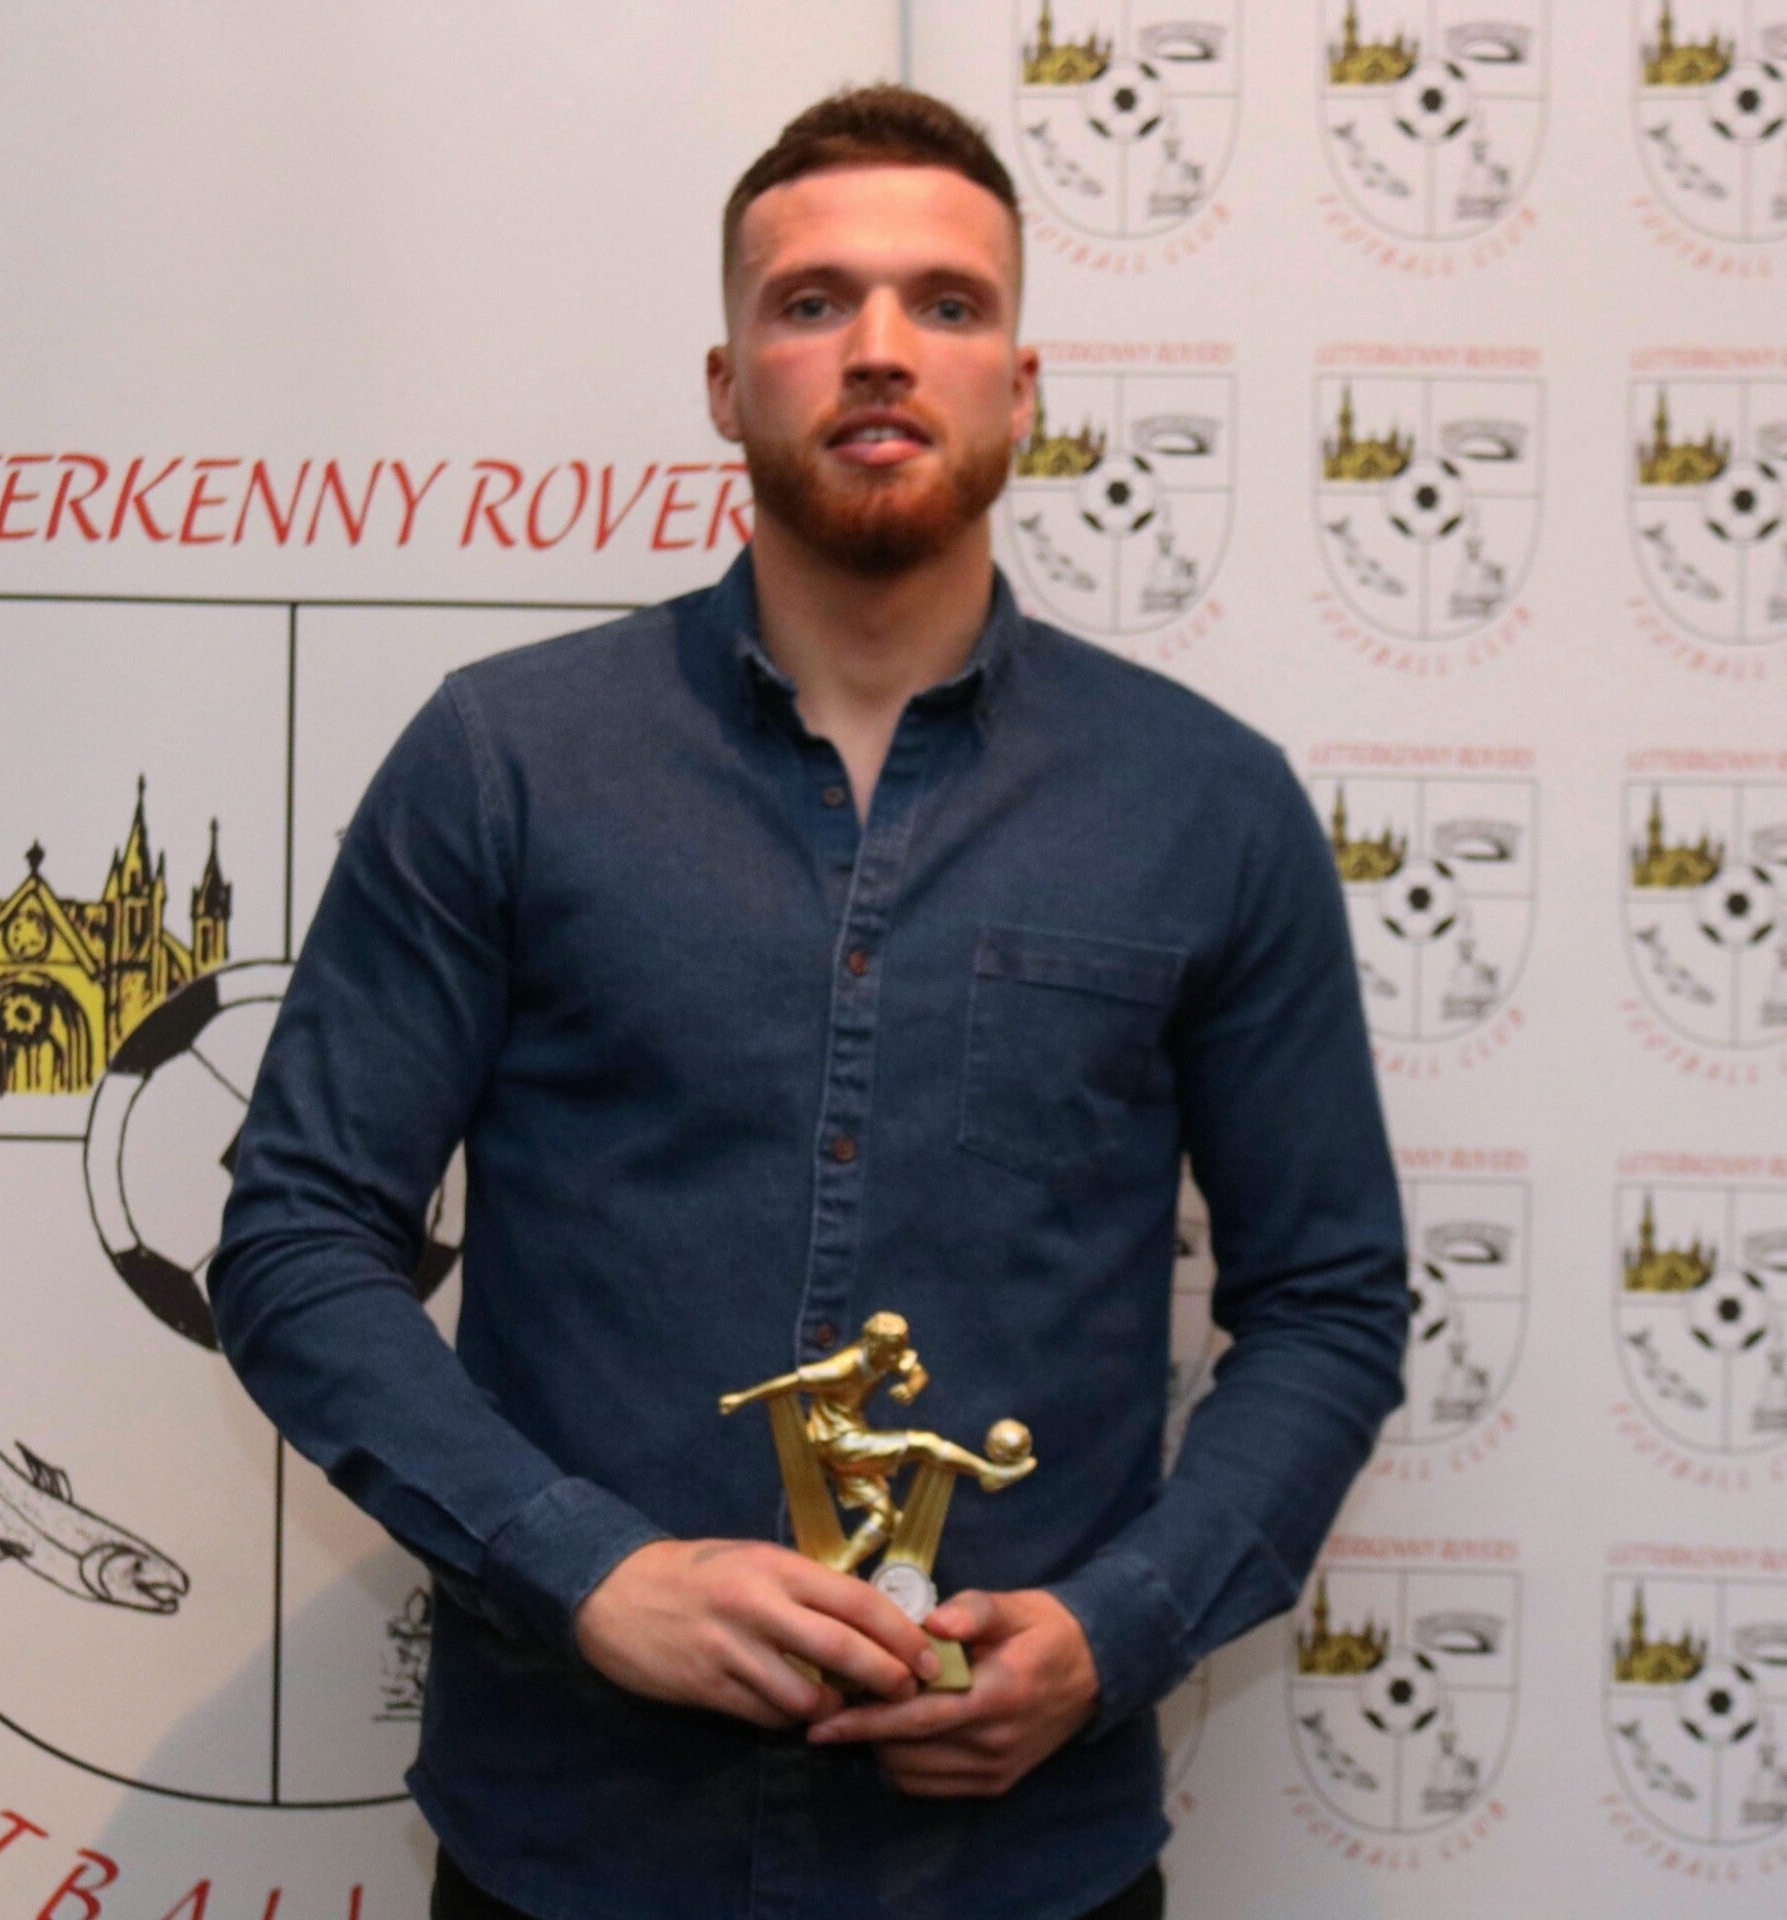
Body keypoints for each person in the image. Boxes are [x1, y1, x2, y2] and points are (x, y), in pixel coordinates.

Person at [210, 84, 1408, 1920]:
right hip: (572, 1849)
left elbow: (1328, 1301)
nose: (879, 348)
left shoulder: (1208, 807)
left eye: (947, 302)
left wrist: (1120, 1630)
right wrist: (588, 1572)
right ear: (725, 381)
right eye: (812, 300)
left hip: (1024, 1871)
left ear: (1022, 386)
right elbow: (298, 1241)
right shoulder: (506, 763)